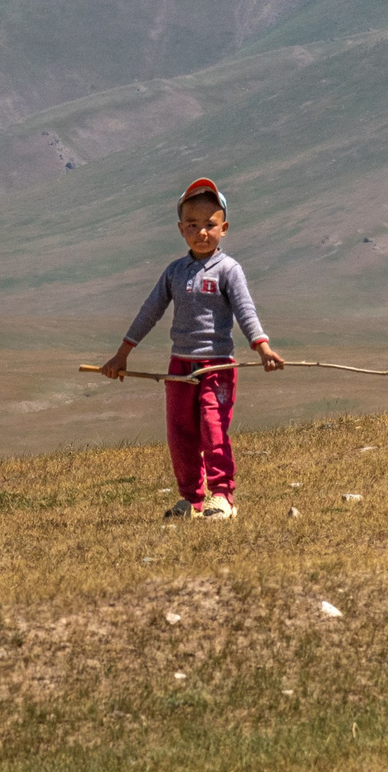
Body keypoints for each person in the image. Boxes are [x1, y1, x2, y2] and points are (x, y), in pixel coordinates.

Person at [98, 177, 284, 520]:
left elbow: (246, 311)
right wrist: (122, 354)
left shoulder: (229, 270)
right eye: (193, 225)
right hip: (179, 368)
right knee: (180, 434)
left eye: (209, 225)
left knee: (214, 429)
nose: (202, 232)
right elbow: (149, 312)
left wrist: (262, 347)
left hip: (217, 367)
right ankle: (192, 500)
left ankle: (223, 496)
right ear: (181, 229)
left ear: (224, 228)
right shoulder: (174, 272)